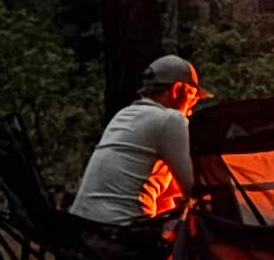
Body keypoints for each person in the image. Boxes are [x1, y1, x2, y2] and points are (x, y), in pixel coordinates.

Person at [69, 53, 207, 234]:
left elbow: (164, 192)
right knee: (198, 232)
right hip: (121, 236)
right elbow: (192, 189)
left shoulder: (124, 114)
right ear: (177, 90)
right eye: (193, 96)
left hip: (83, 233)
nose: (192, 106)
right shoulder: (170, 119)